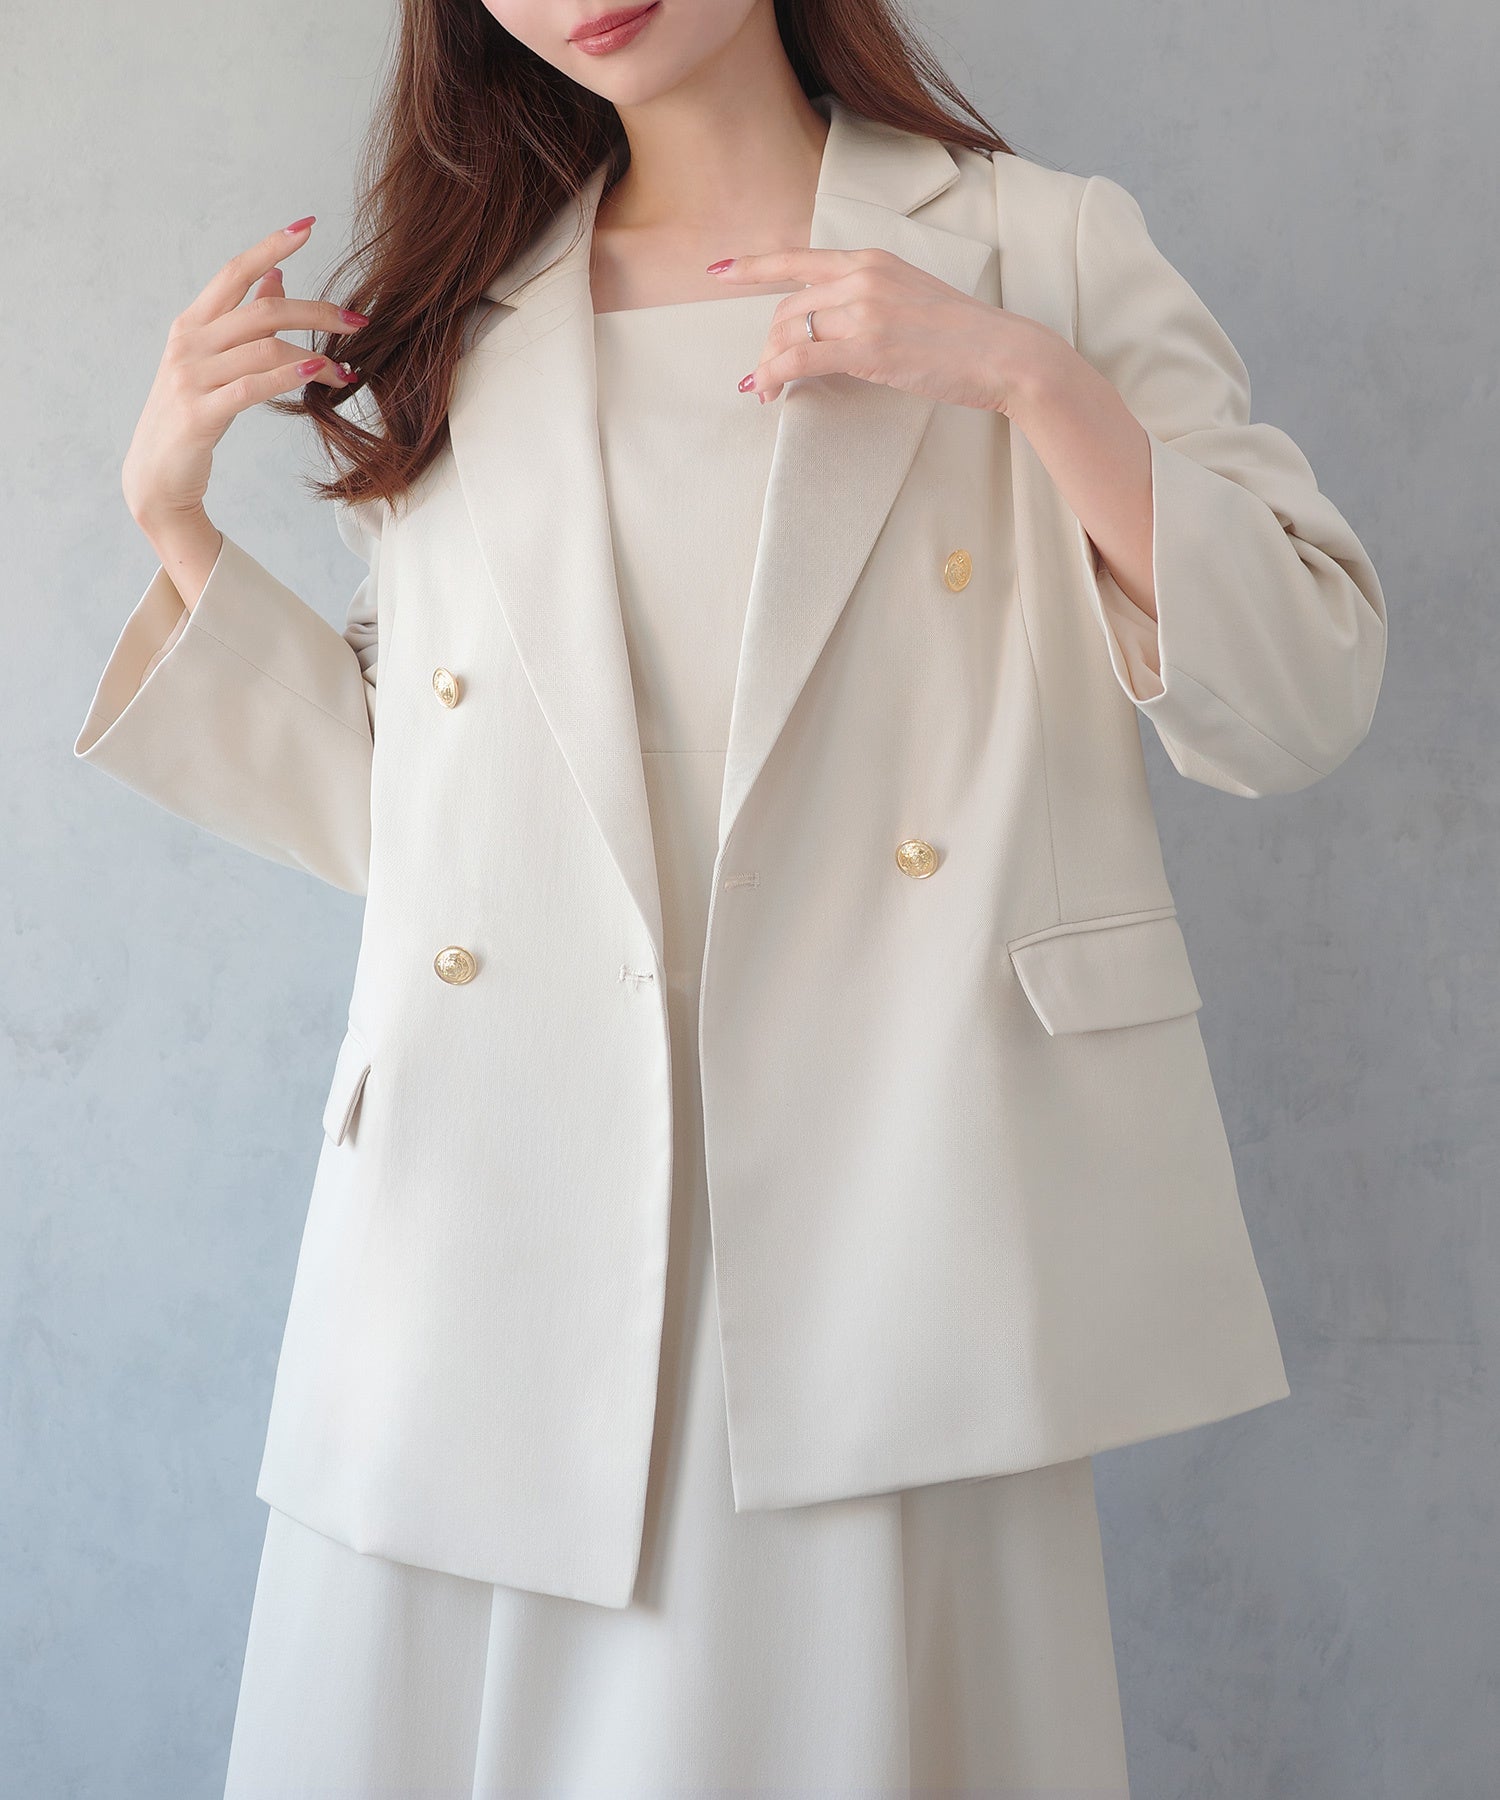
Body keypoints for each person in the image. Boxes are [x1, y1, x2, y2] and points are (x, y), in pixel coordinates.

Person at [73, 1, 1387, 1795]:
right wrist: (177, 527)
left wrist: (1030, 380)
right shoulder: (458, 310)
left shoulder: (1035, 246)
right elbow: (442, 833)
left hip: (897, 1194)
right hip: (496, 1210)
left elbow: (1304, 688)